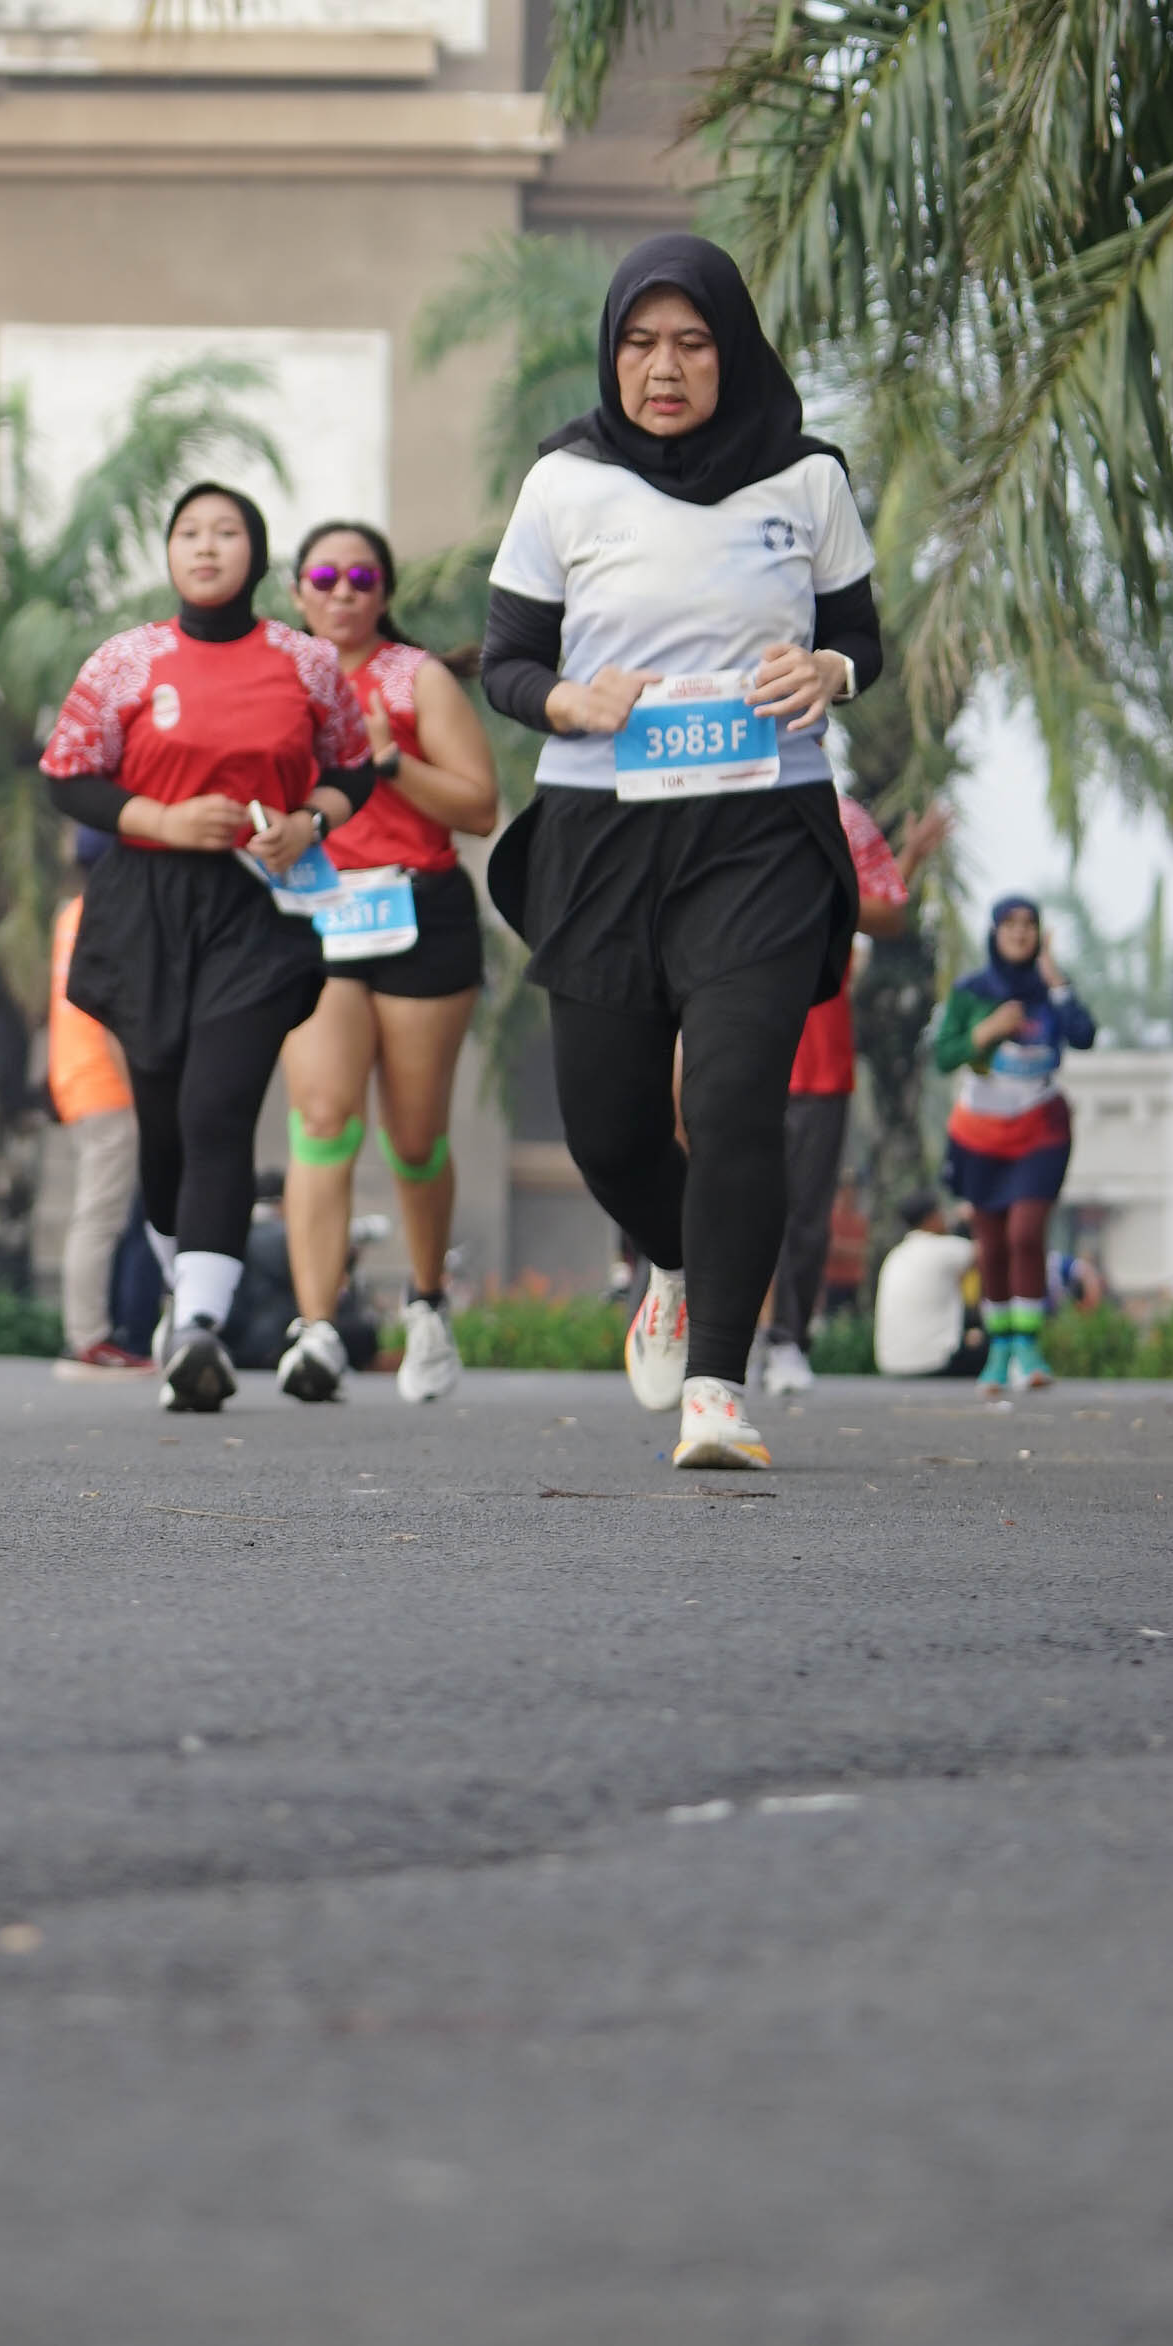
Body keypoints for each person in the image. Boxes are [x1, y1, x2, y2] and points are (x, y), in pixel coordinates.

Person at [481, 236, 883, 1473]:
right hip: (601, 831)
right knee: (607, 1130)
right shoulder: (563, 482)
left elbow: (860, 638)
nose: (663, 369)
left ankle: (717, 1389)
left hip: (760, 829)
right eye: (639, 344)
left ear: (732, 351)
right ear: (611, 355)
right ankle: (669, 1260)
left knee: (729, 1096)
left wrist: (826, 670)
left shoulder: (804, 478)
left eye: (692, 344)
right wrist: (567, 701)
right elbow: (505, 661)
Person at [39, 481, 372, 1414]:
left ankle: (197, 1329)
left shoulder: (306, 663)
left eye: (227, 532)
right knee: (165, 1132)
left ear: (255, 554)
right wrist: (162, 820)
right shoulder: (125, 661)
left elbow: (353, 767)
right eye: (189, 531)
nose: (207, 546)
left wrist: (309, 822)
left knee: (217, 1108)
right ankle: (182, 1290)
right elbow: (68, 775)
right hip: (145, 908)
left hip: (258, 909)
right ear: (171, 553)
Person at [272, 521, 497, 1408]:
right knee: (323, 1115)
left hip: (416, 912)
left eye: (361, 578)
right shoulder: (275, 679)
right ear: (297, 591)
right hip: (316, 913)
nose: (342, 591)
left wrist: (389, 760)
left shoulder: (415, 678)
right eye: (324, 575)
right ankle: (316, 1327)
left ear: (385, 593)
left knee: (413, 1135)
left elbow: (479, 807)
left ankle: (428, 1302)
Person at [761, 795, 947, 1394]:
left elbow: (884, 911)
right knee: (737, 1205)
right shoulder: (738, 820)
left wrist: (907, 859)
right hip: (744, 1058)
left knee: (805, 1215)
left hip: (819, 1066)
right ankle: (719, 1337)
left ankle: (788, 1341)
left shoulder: (837, 836)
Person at [934, 899, 1097, 1393]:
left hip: (1040, 1130)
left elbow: (1084, 1035)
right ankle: (999, 1348)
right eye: (1010, 925)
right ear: (994, 933)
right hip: (980, 1134)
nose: (1020, 933)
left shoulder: (1051, 991)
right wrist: (987, 1030)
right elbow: (944, 1054)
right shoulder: (971, 990)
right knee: (992, 1245)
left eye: (1029, 925)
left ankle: (1029, 1347)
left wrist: (1056, 979)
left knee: (1026, 1233)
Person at [47, 848, 147, 1373]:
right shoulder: (113, 912)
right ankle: (88, 1337)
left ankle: (90, 1333)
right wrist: (142, 1091)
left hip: (76, 1077)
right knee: (100, 1217)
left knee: (98, 1214)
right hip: (109, 1084)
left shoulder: (73, 913)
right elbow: (113, 1012)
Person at [873, 1186, 986, 1379]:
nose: (946, 1217)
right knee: (1000, 1343)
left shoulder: (895, 1254)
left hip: (891, 1364)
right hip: (936, 1363)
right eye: (941, 1212)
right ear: (930, 1218)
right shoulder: (944, 1248)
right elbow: (988, 1251)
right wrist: (976, 1218)